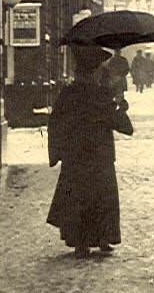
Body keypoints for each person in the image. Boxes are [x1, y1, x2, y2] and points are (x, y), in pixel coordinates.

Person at [47, 45, 134, 258]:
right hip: (100, 156)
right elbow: (124, 127)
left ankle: (80, 242)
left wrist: (57, 152)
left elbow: (55, 123)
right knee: (101, 198)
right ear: (95, 71)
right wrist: (121, 108)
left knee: (77, 198)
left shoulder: (68, 93)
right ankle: (103, 238)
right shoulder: (101, 95)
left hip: (75, 156)